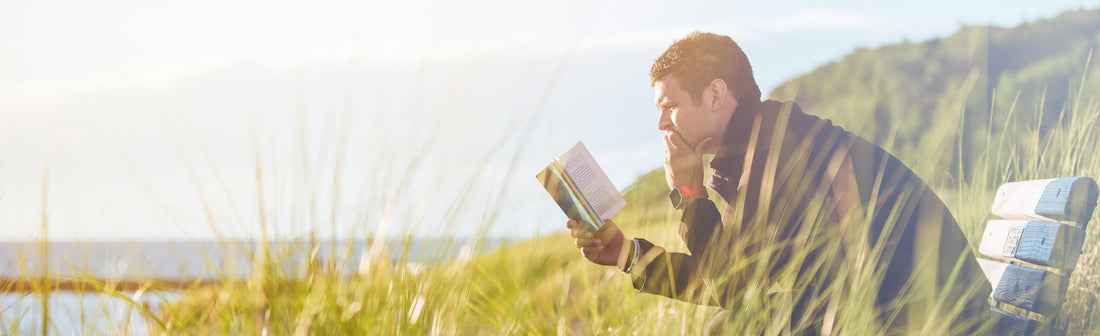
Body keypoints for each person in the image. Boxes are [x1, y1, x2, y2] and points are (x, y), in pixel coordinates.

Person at [566, 31, 992, 335]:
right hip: (900, 308)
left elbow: (732, 286)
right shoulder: (758, 145)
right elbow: (733, 277)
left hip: (937, 319)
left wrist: (691, 196)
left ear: (715, 94)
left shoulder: (778, 152)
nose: (661, 123)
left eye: (670, 105)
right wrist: (625, 253)